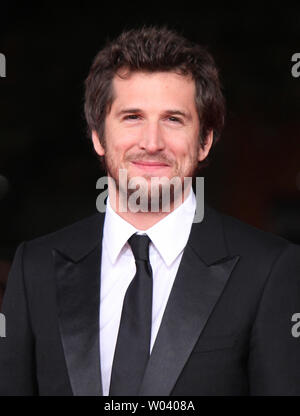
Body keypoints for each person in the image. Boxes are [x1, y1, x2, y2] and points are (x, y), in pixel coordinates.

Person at [0, 26, 300, 396]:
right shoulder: (35, 269)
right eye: (132, 117)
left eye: (173, 119)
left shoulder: (268, 269)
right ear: (98, 135)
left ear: (204, 140)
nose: (152, 143)